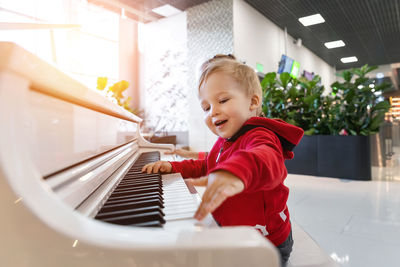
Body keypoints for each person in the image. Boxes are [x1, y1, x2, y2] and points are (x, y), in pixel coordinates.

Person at [142, 54, 304, 265]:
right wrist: (173, 166)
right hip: (233, 232)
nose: (213, 111)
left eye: (223, 100)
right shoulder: (225, 140)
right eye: (206, 107)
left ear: (252, 102)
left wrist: (235, 171)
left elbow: (266, 160)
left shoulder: (261, 135)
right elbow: (206, 164)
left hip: (265, 243)